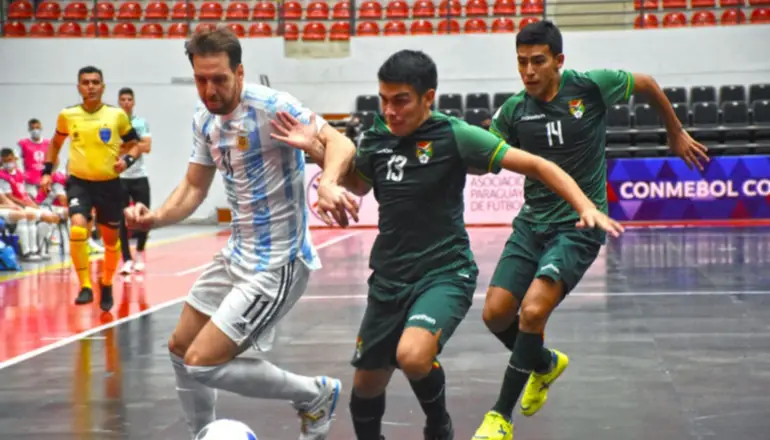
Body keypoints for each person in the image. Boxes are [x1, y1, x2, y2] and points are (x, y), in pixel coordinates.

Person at [268, 49, 623, 440]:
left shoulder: (455, 135)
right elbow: (360, 183)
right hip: (388, 277)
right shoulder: (379, 136)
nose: (390, 110)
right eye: (383, 99)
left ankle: (439, 425)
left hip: (445, 273)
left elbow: (539, 165)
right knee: (365, 389)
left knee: (413, 355)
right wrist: (316, 151)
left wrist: (586, 206)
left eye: (400, 100)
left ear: (427, 97)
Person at [471, 21, 709, 440]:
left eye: (538, 62)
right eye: (522, 62)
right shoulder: (513, 111)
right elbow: (485, 156)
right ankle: (544, 364)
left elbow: (647, 83)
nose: (528, 71)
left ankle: (499, 418)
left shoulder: (591, 87)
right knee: (494, 314)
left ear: (559, 61)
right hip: (531, 224)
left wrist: (674, 131)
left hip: (581, 223)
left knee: (532, 312)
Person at [123, 27, 344, 440]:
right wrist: (152, 219)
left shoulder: (273, 106)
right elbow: (193, 187)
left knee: (203, 362)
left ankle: (315, 395)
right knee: (179, 349)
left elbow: (340, 143)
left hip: (279, 263)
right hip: (236, 255)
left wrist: (328, 181)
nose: (210, 89)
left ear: (239, 73)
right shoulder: (204, 119)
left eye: (219, 79)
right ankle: (204, 433)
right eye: (201, 79)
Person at [41, 65, 141, 312]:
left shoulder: (116, 115)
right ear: (79, 87)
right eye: (85, 82)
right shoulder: (68, 115)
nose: (91, 86)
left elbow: (135, 145)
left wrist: (125, 160)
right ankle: (85, 285)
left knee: (110, 241)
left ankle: (106, 283)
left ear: (103, 86)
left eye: (95, 82)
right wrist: (46, 172)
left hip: (108, 184)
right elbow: (54, 144)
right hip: (79, 182)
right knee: (77, 228)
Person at [0, 148, 64, 260]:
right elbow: (9, 198)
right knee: (27, 217)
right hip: (16, 207)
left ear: (14, 159)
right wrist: (24, 205)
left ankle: (39, 249)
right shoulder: (2, 176)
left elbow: (23, 194)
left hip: (22, 204)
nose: (8, 163)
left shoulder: (19, 173)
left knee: (50, 217)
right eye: (5, 161)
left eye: (10, 160)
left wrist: (32, 203)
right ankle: (27, 252)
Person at [116, 87, 153, 274]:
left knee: (144, 217)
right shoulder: (113, 123)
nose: (126, 102)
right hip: (121, 177)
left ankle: (139, 252)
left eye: (129, 99)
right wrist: (133, 146)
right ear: (118, 102)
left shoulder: (141, 123)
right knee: (122, 218)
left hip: (139, 176)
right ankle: (127, 259)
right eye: (122, 99)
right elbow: (113, 150)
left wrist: (128, 147)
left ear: (133, 102)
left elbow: (147, 147)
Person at [17, 118, 50, 201]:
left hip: (44, 181)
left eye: (37, 128)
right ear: (29, 130)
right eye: (32, 128)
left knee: (45, 203)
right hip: (29, 181)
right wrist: (22, 174)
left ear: (41, 128)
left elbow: (55, 160)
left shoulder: (48, 143)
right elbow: (16, 160)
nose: (35, 130)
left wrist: (50, 174)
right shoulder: (23, 144)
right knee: (33, 202)